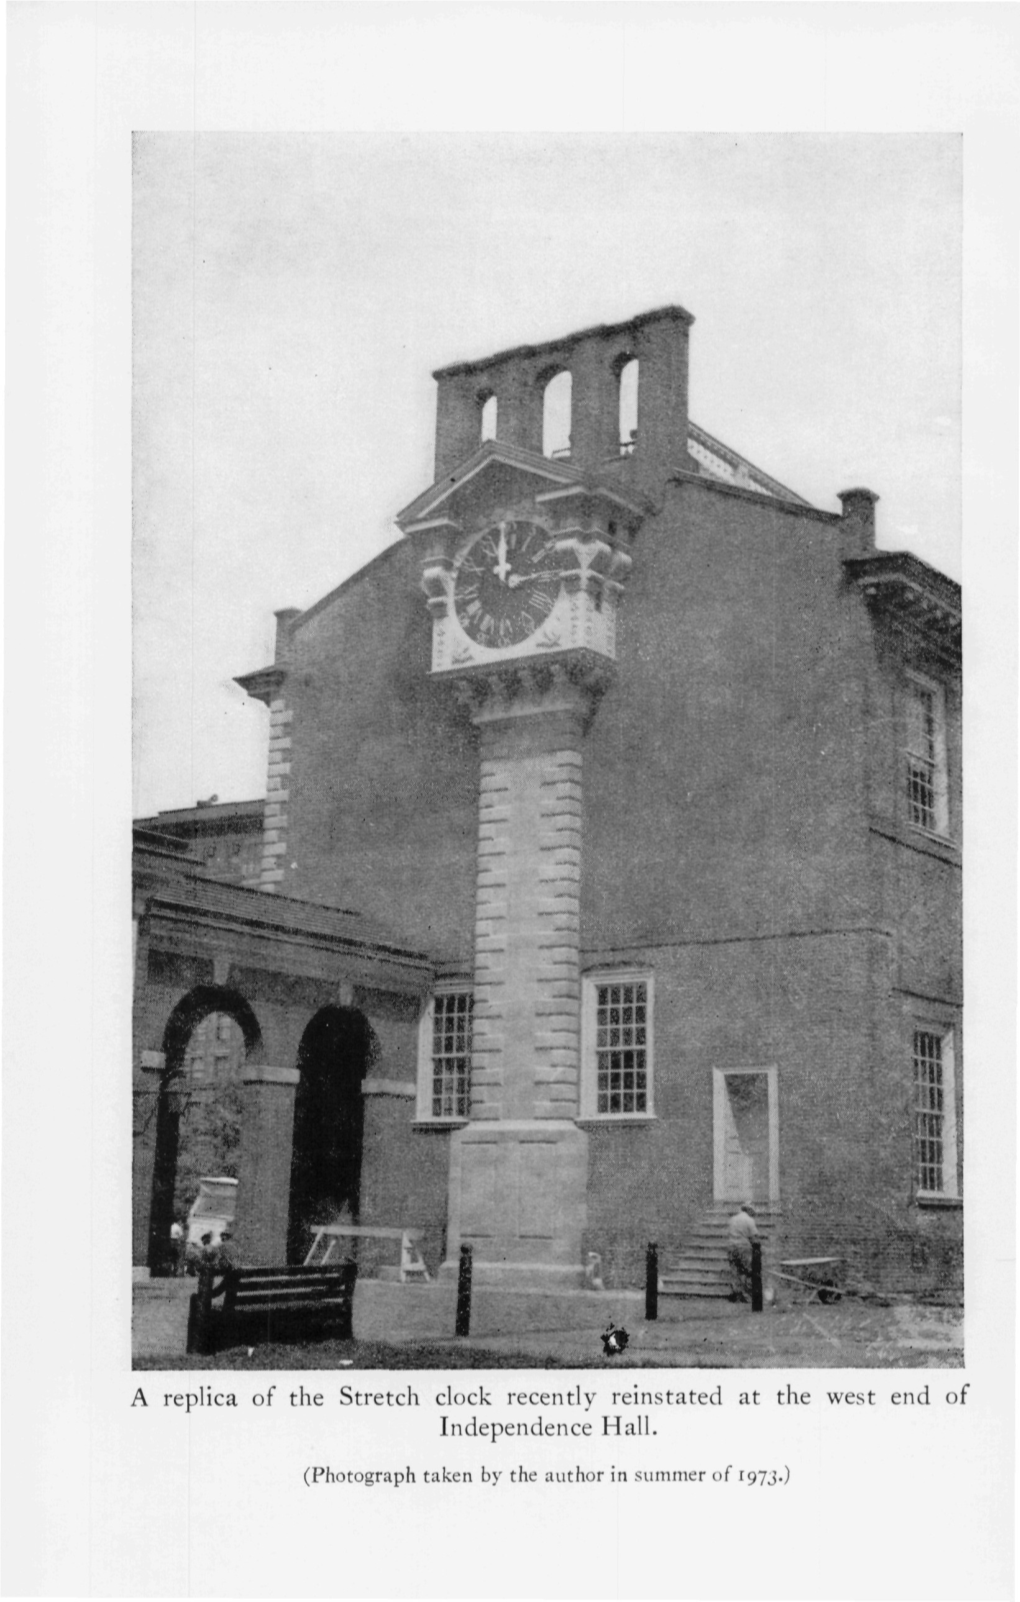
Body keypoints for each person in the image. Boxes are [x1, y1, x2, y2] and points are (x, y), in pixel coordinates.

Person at [727, 1203, 759, 1302]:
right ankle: (746, 1296)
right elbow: (753, 1238)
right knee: (746, 1271)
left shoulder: (732, 1219)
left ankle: (736, 1294)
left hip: (731, 1247)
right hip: (743, 1248)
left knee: (734, 1270)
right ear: (749, 1211)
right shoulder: (749, 1220)